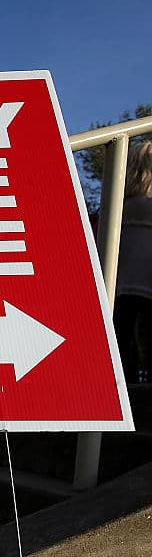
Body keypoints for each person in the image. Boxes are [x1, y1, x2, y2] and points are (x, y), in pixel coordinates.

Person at [114, 141, 152, 383]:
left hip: (120, 282)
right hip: (149, 279)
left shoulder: (119, 202)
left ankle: (125, 388)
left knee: (122, 340)